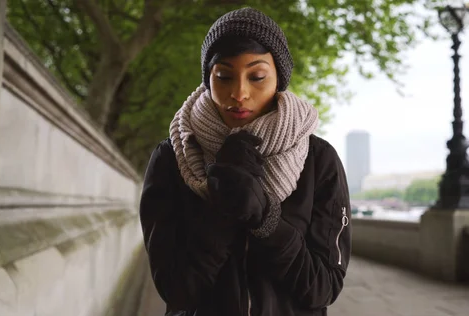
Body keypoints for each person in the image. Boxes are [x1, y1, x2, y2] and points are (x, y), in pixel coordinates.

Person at [139, 7, 351, 316]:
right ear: (208, 80)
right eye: (224, 77)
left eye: (257, 77)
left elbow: (324, 287)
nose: (239, 93)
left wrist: (266, 219)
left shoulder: (319, 160)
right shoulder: (172, 157)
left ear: (278, 79)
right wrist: (223, 209)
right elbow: (175, 289)